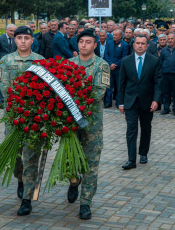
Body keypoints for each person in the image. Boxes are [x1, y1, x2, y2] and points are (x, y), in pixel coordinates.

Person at [0, 26, 44, 214]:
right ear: (14, 40)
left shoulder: (41, 61)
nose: (23, 41)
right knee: (16, 156)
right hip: (14, 117)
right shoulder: (5, 61)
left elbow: (44, 88)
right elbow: (5, 89)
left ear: (32, 40)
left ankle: (27, 199)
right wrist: (24, 102)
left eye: (26, 38)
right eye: (19, 38)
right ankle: (20, 179)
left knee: (31, 156)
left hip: (35, 118)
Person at [69, 29, 110, 219]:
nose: (83, 45)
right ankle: (73, 180)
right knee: (70, 159)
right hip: (69, 123)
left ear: (95, 45)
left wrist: (73, 102)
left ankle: (85, 203)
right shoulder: (69, 64)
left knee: (91, 163)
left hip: (91, 123)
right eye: (81, 42)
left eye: (88, 42)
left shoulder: (101, 65)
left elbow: (97, 93)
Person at [118, 35, 161, 169]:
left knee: (146, 128)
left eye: (143, 43)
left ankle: (143, 153)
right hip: (130, 101)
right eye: (138, 43)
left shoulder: (154, 61)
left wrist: (156, 100)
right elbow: (121, 84)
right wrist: (121, 102)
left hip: (147, 101)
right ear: (134, 45)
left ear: (147, 46)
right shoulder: (126, 61)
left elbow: (158, 82)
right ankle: (131, 160)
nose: (140, 45)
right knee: (131, 130)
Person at [0, 24, 17, 109]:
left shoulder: (16, 39)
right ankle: (2, 101)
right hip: (2, 64)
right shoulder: (0, 38)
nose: (12, 33)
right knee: (2, 82)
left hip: (13, 64)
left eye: (14, 31)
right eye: (11, 31)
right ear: (6, 30)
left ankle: (11, 101)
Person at [104, 29, 128, 108]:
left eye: (116, 35)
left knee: (118, 87)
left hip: (119, 69)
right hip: (110, 69)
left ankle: (118, 102)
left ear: (120, 36)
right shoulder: (109, 42)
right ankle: (108, 102)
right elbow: (106, 54)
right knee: (109, 87)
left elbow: (124, 57)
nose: (114, 36)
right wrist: (110, 64)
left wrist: (116, 65)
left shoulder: (124, 44)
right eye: (113, 34)